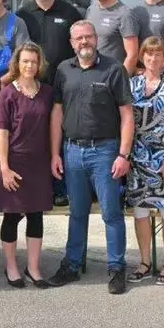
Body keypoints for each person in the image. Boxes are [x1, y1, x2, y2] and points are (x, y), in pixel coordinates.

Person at [46, 20, 134, 295]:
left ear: (96, 39)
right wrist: (55, 153)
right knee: (77, 213)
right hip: (72, 151)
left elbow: (127, 115)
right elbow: (57, 113)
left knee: (111, 213)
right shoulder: (63, 69)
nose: (84, 41)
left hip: (105, 152)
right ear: (72, 43)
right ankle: (72, 265)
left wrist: (123, 154)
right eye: (78, 38)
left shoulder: (114, 69)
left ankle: (116, 268)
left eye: (88, 36)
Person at [16, 0, 82, 207]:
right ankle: (36, 187)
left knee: (60, 135)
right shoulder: (22, 15)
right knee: (34, 136)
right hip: (33, 87)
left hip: (64, 85)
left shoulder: (70, 12)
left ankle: (60, 189)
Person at [125, 37, 164, 286]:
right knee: (140, 210)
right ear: (142, 56)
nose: (153, 58)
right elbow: (126, 120)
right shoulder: (132, 84)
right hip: (138, 155)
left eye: (158, 54)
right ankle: (144, 262)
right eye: (149, 54)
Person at [0, 43, 55, 289]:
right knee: (11, 215)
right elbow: (2, 133)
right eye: (25, 61)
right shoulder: (7, 93)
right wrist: (4, 168)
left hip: (39, 162)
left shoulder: (47, 92)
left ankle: (33, 267)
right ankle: (11, 266)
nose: (30, 65)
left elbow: (53, 127)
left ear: (39, 64)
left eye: (33, 61)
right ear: (17, 64)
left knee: (36, 215)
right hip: (15, 162)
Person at [85, 0, 139, 76]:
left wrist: (121, 81)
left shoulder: (125, 14)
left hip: (112, 76)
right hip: (92, 73)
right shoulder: (91, 10)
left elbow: (132, 55)